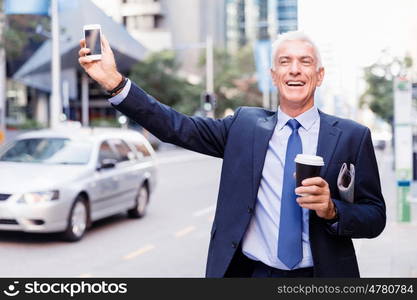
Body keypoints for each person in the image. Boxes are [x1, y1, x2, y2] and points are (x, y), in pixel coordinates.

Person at [78, 31, 386, 278]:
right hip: (251, 273)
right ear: (274, 74)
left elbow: (375, 216)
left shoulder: (352, 137)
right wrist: (114, 83)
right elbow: (175, 127)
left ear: (319, 75)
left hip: (321, 275)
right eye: (285, 62)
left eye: (305, 62)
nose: (294, 69)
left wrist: (332, 210)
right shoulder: (245, 126)